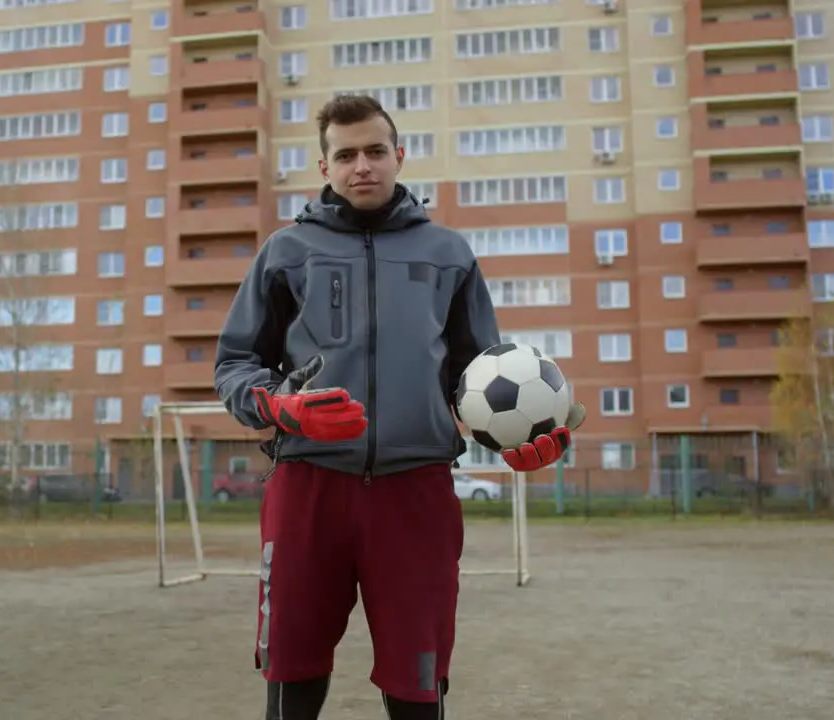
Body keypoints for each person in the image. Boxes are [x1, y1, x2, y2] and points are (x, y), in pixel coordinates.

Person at [213, 95, 585, 720]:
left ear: (399, 156)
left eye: (376, 151)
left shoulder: (449, 253)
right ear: (324, 166)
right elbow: (234, 366)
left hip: (416, 494)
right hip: (308, 487)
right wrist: (283, 408)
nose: (363, 165)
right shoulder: (285, 252)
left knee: (418, 680)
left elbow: (477, 378)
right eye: (347, 154)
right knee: (292, 670)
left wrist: (519, 439)